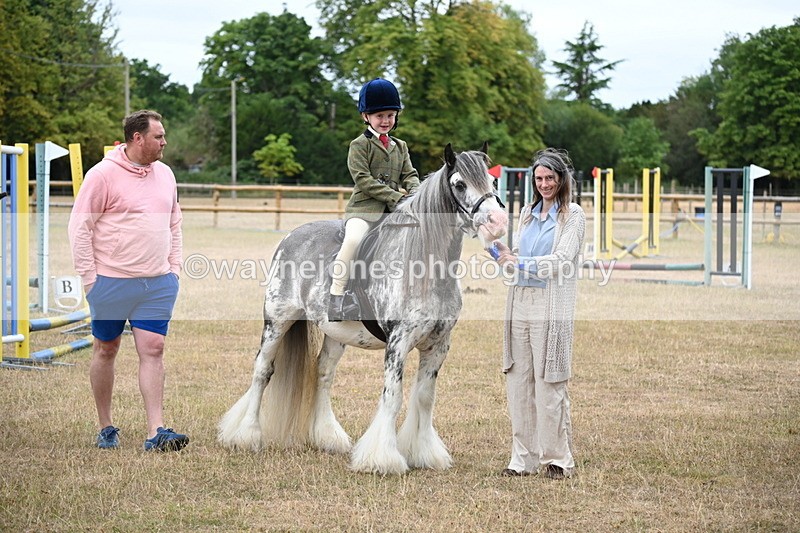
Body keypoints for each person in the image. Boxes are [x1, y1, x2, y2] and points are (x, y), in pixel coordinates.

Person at [68, 109, 189, 452]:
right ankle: (106, 427)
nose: (164, 142)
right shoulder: (102, 175)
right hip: (111, 282)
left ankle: (156, 431)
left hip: (158, 283)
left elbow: (174, 222)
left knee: (154, 349)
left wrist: (174, 269)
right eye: (159, 136)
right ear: (138, 138)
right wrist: (90, 280)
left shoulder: (165, 174)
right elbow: (80, 228)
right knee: (107, 349)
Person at [492, 148, 585, 479]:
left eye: (550, 178)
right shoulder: (528, 213)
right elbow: (520, 256)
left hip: (550, 305)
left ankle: (558, 459)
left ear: (561, 180)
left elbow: (561, 261)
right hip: (519, 302)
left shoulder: (572, 215)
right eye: (539, 178)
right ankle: (522, 460)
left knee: (549, 382)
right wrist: (502, 252)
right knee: (519, 381)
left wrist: (521, 263)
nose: (544, 184)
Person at [328, 78, 420, 321]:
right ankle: (337, 296)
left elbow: (409, 174)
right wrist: (396, 198)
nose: (386, 121)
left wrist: (415, 193)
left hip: (394, 211)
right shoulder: (359, 145)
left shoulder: (400, 146)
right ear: (365, 117)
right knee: (354, 241)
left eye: (390, 115)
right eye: (379, 115)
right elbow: (363, 180)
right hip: (364, 210)